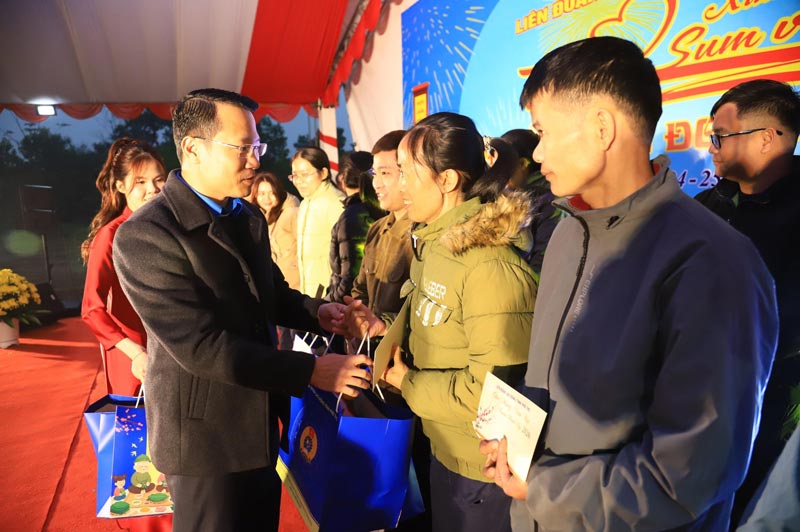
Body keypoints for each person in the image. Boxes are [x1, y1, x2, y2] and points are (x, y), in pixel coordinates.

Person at [480, 36, 778, 531]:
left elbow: (686, 476)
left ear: (601, 126)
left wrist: (543, 488)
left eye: (543, 131)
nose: (536, 152)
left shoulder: (713, 262)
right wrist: (512, 439)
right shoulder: (567, 234)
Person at [112, 88, 372, 532]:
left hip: (256, 421)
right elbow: (200, 346)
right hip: (204, 439)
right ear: (193, 148)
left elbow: (270, 291)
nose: (255, 160)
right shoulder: (147, 235)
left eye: (258, 146)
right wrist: (309, 371)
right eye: (243, 148)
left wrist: (318, 311)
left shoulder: (242, 216)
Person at [346, 112, 537, 532]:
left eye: (406, 173)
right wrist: (384, 327)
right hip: (443, 449)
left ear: (448, 180)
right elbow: (438, 326)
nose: (397, 187)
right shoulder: (438, 244)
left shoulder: (489, 264)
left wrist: (407, 381)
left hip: (481, 470)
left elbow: (494, 393)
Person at [695, 78, 800, 526]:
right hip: (707, 394)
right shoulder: (706, 207)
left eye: (720, 136)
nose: (712, 148)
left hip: (783, 396)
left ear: (766, 138)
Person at [81, 138, 167, 396]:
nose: (153, 189)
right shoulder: (111, 235)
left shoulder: (168, 227)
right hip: (135, 356)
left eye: (159, 179)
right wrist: (135, 352)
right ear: (120, 185)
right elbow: (91, 308)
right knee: (142, 433)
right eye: (140, 182)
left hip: (171, 347)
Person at [327, 150, 384, 302]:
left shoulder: (354, 216)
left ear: (343, 180)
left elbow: (351, 275)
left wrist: (329, 302)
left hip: (351, 307)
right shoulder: (377, 209)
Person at [501, 129, 559, 275]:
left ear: (522, 164)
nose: (499, 171)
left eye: (504, 163)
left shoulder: (549, 201)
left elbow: (544, 262)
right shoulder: (514, 196)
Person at [292, 147, 345, 298]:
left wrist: (335, 293)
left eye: (305, 174)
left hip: (330, 295)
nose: (299, 181)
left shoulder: (336, 203)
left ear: (324, 173)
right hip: (309, 292)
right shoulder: (305, 204)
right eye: (295, 175)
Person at [250, 171, 300, 291]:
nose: (267, 198)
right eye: (262, 193)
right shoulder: (257, 219)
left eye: (272, 193)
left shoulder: (291, 213)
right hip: (275, 288)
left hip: (296, 286)